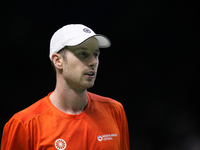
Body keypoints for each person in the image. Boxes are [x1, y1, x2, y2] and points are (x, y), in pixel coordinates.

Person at [1, 24, 130, 150]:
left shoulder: (114, 111)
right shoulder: (24, 124)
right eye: (83, 54)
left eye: (96, 54)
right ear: (58, 61)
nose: (94, 62)